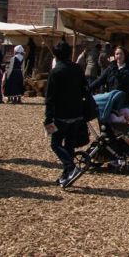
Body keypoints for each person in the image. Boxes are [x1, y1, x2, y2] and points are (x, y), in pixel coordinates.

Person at [44, 41, 88, 186]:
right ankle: (66, 175)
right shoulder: (77, 68)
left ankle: (70, 166)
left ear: (56, 55)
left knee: (55, 144)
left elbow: (50, 98)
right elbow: (84, 89)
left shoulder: (55, 72)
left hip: (61, 115)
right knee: (69, 146)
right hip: (76, 113)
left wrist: (48, 117)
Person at [90, 46, 129, 122]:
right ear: (114, 56)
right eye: (117, 54)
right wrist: (87, 89)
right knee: (109, 119)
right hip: (112, 102)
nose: (119, 56)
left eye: (121, 54)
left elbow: (121, 80)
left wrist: (114, 66)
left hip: (126, 103)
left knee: (120, 118)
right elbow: (99, 81)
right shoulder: (110, 68)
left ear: (125, 55)